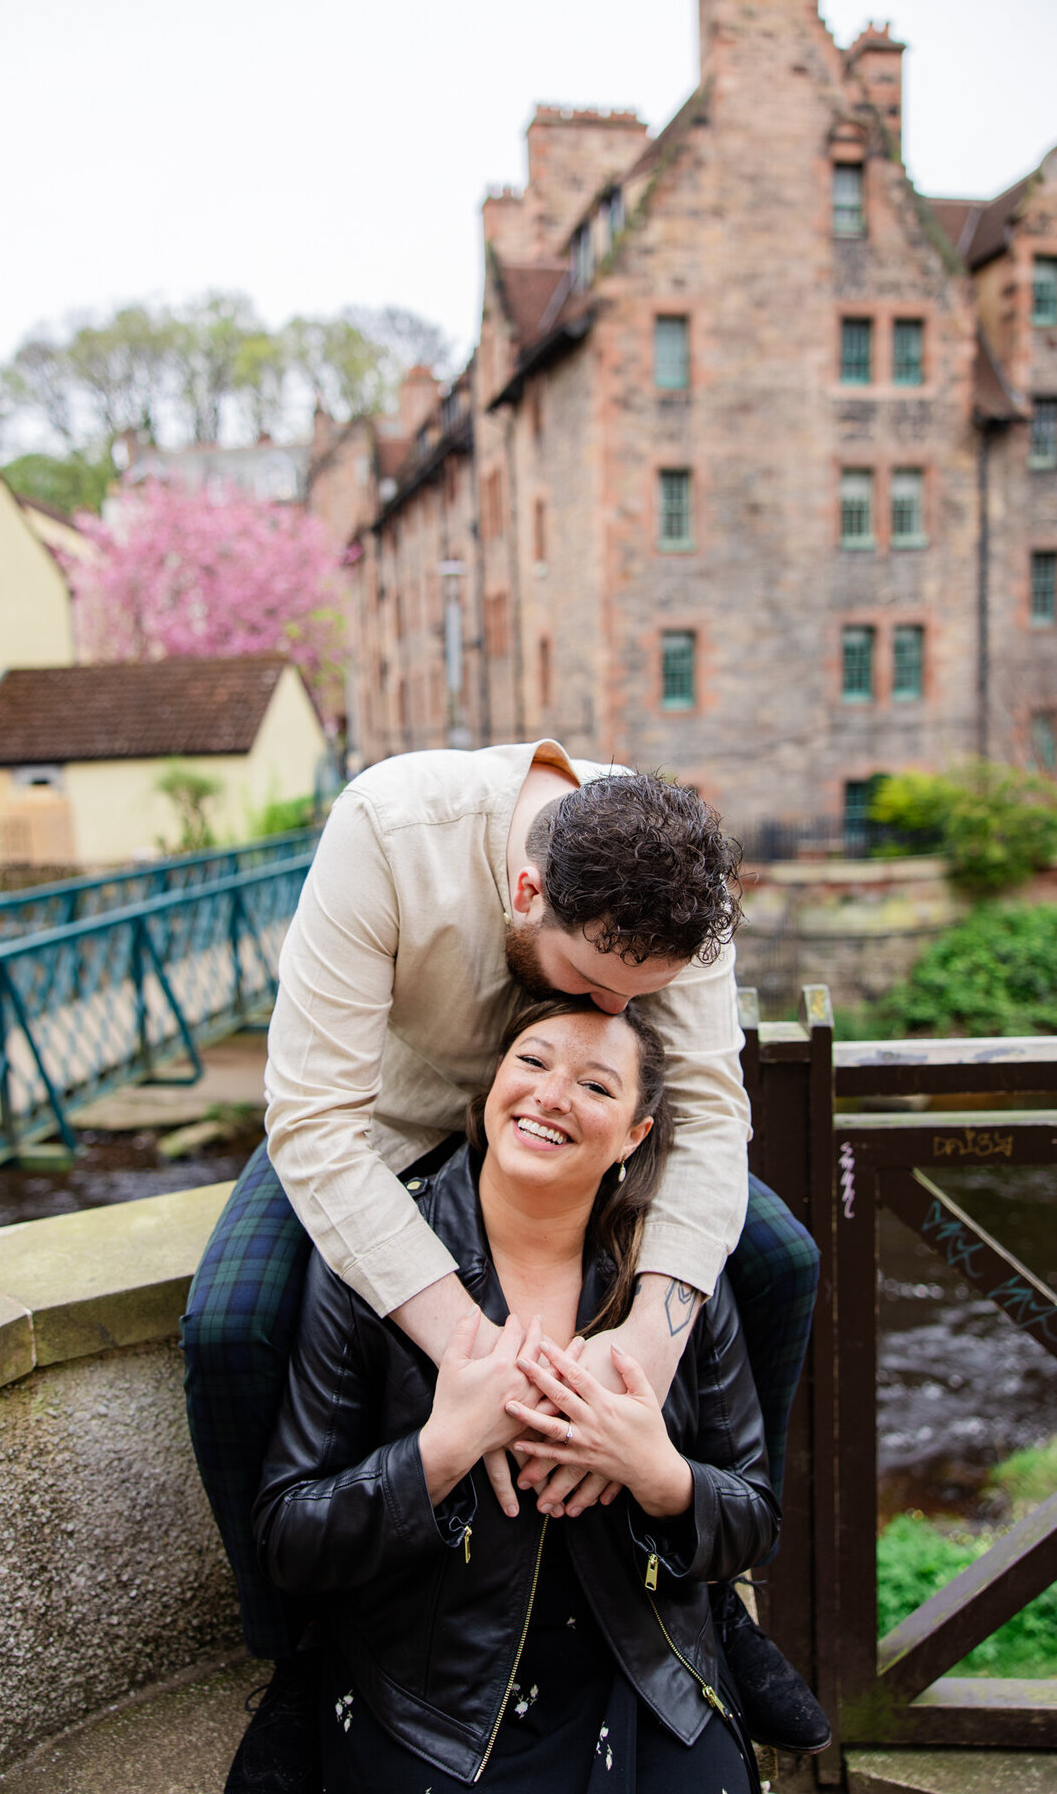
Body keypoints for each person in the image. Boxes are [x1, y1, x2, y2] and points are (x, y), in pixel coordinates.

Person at [183, 743, 826, 1773]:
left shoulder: (676, 898)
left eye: (637, 998)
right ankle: (297, 1649)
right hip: (380, 1123)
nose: (616, 1011)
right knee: (226, 1324)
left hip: (580, 1130)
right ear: (528, 890)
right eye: (592, 981)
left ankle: (712, 1604)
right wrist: (473, 1353)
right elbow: (311, 1122)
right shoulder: (387, 830)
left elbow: (707, 1123)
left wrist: (644, 1362)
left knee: (785, 1261)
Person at [249, 999, 777, 1793]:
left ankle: (729, 1638)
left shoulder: (672, 1284)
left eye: (597, 1087)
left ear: (637, 1135)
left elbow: (753, 1521)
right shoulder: (377, 1256)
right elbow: (288, 1537)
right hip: (433, 1694)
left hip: (641, 1672)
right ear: (491, 1084)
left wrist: (657, 1472)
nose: (551, 1095)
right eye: (531, 1063)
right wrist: (441, 1449)